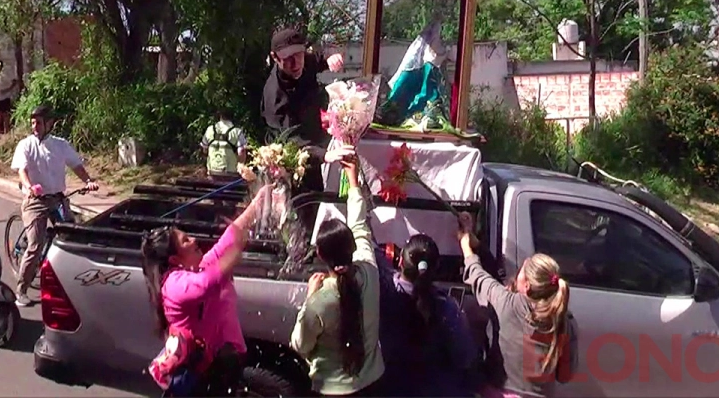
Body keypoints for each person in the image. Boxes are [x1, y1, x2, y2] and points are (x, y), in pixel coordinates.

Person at [140, 186, 267, 396]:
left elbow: (226, 241)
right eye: (186, 241)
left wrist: (258, 202)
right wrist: (234, 253)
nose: (194, 240)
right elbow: (207, 283)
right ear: (174, 259)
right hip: (198, 376)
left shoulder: (198, 268)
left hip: (218, 364)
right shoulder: (174, 284)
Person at [290, 149, 384, 396]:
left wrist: (310, 298)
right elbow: (360, 227)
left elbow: (300, 345)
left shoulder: (319, 301)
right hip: (372, 383)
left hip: (332, 390)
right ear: (352, 247)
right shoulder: (369, 272)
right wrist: (353, 182)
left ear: (320, 255)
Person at [458, 213, 578, 398]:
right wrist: (479, 246)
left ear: (527, 286)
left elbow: (478, 276)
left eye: (521, 270)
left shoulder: (506, 304)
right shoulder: (564, 321)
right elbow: (564, 376)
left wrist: (466, 245)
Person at [11, 105, 99, 306]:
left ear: (49, 124)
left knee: (74, 237)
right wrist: (29, 186)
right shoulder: (25, 145)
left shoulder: (60, 145)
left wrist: (88, 181)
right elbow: (22, 170)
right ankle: (21, 290)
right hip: (35, 201)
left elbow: (76, 165)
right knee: (35, 245)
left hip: (58, 199)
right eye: (33, 122)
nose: (35, 126)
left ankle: (72, 284)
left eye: (39, 123)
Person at [377, 234, 480, 396]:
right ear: (436, 267)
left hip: (390, 389)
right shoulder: (448, 308)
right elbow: (465, 357)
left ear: (400, 261)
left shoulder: (382, 294)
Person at [261, 27, 344, 192]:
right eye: (287, 58)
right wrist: (323, 155)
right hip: (288, 164)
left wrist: (331, 57)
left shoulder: (305, 61)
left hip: (315, 142)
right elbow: (290, 140)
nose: (295, 63)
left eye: (299, 54)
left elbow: (320, 57)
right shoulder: (274, 96)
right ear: (275, 57)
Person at [199, 111, 247, 176]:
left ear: (220, 116)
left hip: (212, 172)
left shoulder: (210, 129)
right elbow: (241, 151)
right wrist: (241, 165)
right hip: (230, 173)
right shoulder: (237, 132)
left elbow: (204, 150)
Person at [0, 60, 16, 140]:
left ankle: (6, 133)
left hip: (5, 97)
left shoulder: (6, 75)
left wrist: (9, 88)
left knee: (5, 116)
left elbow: (13, 82)